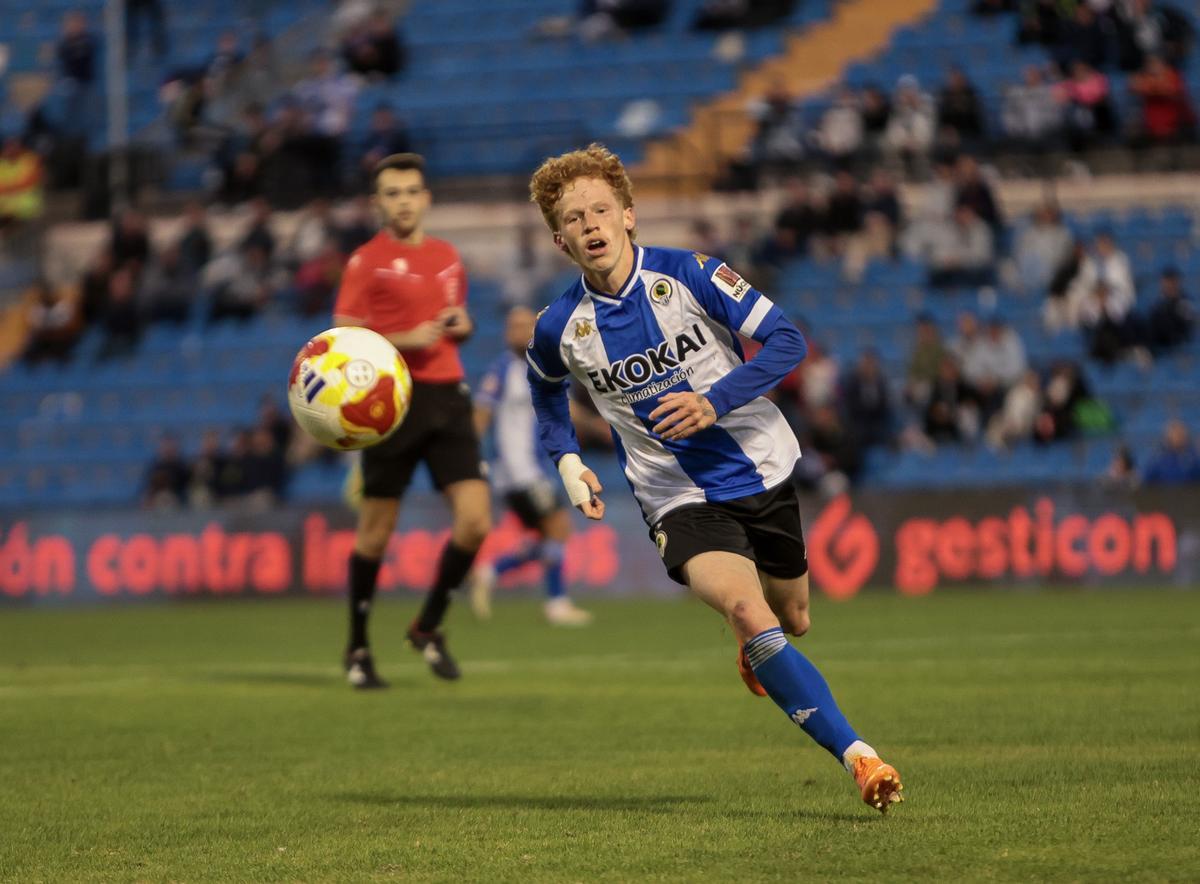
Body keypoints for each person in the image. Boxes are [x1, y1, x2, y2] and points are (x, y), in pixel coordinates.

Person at [524, 144, 904, 813]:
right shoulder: (559, 327)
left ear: (629, 215)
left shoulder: (692, 274)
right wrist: (568, 462)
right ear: (561, 239)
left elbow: (786, 340)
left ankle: (758, 649)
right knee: (747, 609)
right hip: (674, 497)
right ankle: (861, 757)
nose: (591, 224)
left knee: (795, 618)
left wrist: (713, 400)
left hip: (758, 465)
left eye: (601, 209)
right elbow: (546, 396)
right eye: (575, 217)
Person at [333, 153, 492, 688]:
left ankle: (427, 626)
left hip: (447, 395)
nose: (403, 201)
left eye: (411, 191)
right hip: (390, 401)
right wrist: (405, 339)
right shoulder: (365, 261)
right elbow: (341, 339)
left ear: (426, 198)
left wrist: (461, 326)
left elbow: (457, 321)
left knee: (475, 521)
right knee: (375, 534)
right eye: (392, 193)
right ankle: (356, 647)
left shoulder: (448, 257)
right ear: (377, 203)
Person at [467, 307, 593, 626]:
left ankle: (491, 571)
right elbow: (481, 414)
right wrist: (467, 460)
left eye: (524, 326)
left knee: (549, 536)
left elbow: (568, 410)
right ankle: (556, 603)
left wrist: (600, 427)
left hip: (535, 469)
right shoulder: (503, 370)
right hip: (518, 471)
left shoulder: (540, 369)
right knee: (558, 527)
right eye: (512, 327)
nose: (517, 332)